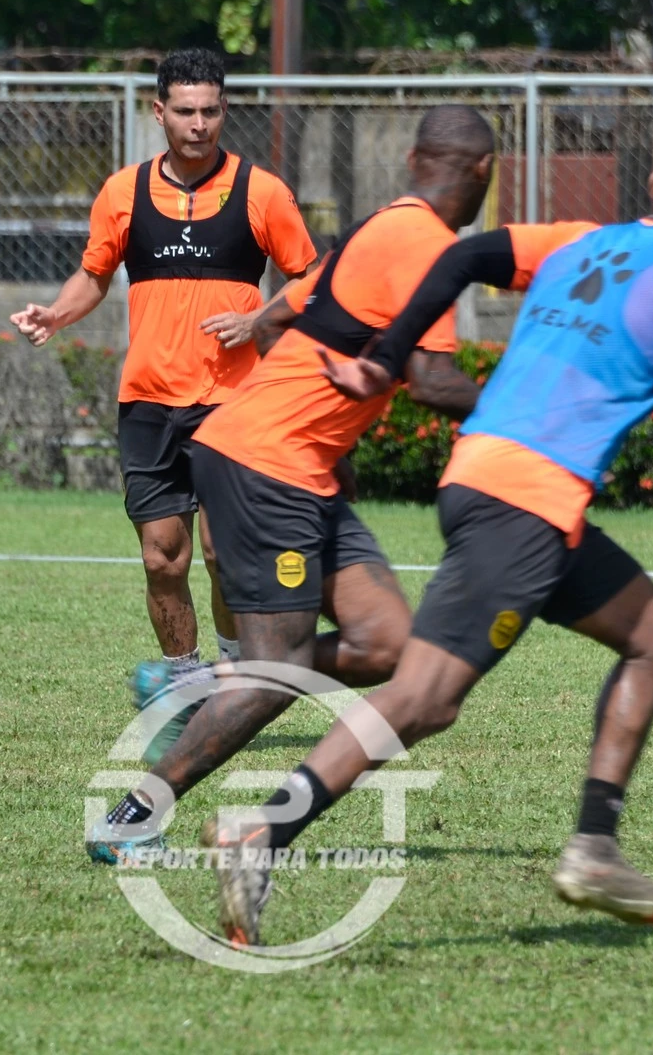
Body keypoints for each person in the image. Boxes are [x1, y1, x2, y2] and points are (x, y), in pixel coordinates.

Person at [202, 121, 653, 946]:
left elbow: (458, 258)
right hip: (523, 506)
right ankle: (262, 831)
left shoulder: (580, 242)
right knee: (422, 699)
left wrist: (386, 358)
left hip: (495, 486)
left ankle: (595, 846)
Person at [88, 106, 507, 864]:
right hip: (266, 464)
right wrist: (532, 408)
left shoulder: (379, 228)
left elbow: (279, 317)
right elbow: (434, 378)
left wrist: (331, 437)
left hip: (296, 465)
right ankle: (131, 814)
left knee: (386, 643)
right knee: (276, 672)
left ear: (415, 159)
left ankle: (199, 678)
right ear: (484, 171)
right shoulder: (428, 247)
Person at [10, 48, 316, 748]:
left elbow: (312, 276)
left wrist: (259, 319)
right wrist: (57, 314)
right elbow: (92, 274)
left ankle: (235, 679)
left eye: (210, 110)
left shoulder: (260, 192)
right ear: (158, 112)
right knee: (161, 556)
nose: (199, 123)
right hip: (148, 401)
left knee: (224, 554)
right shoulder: (123, 191)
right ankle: (182, 684)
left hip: (233, 402)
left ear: (224, 110)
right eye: (185, 110)